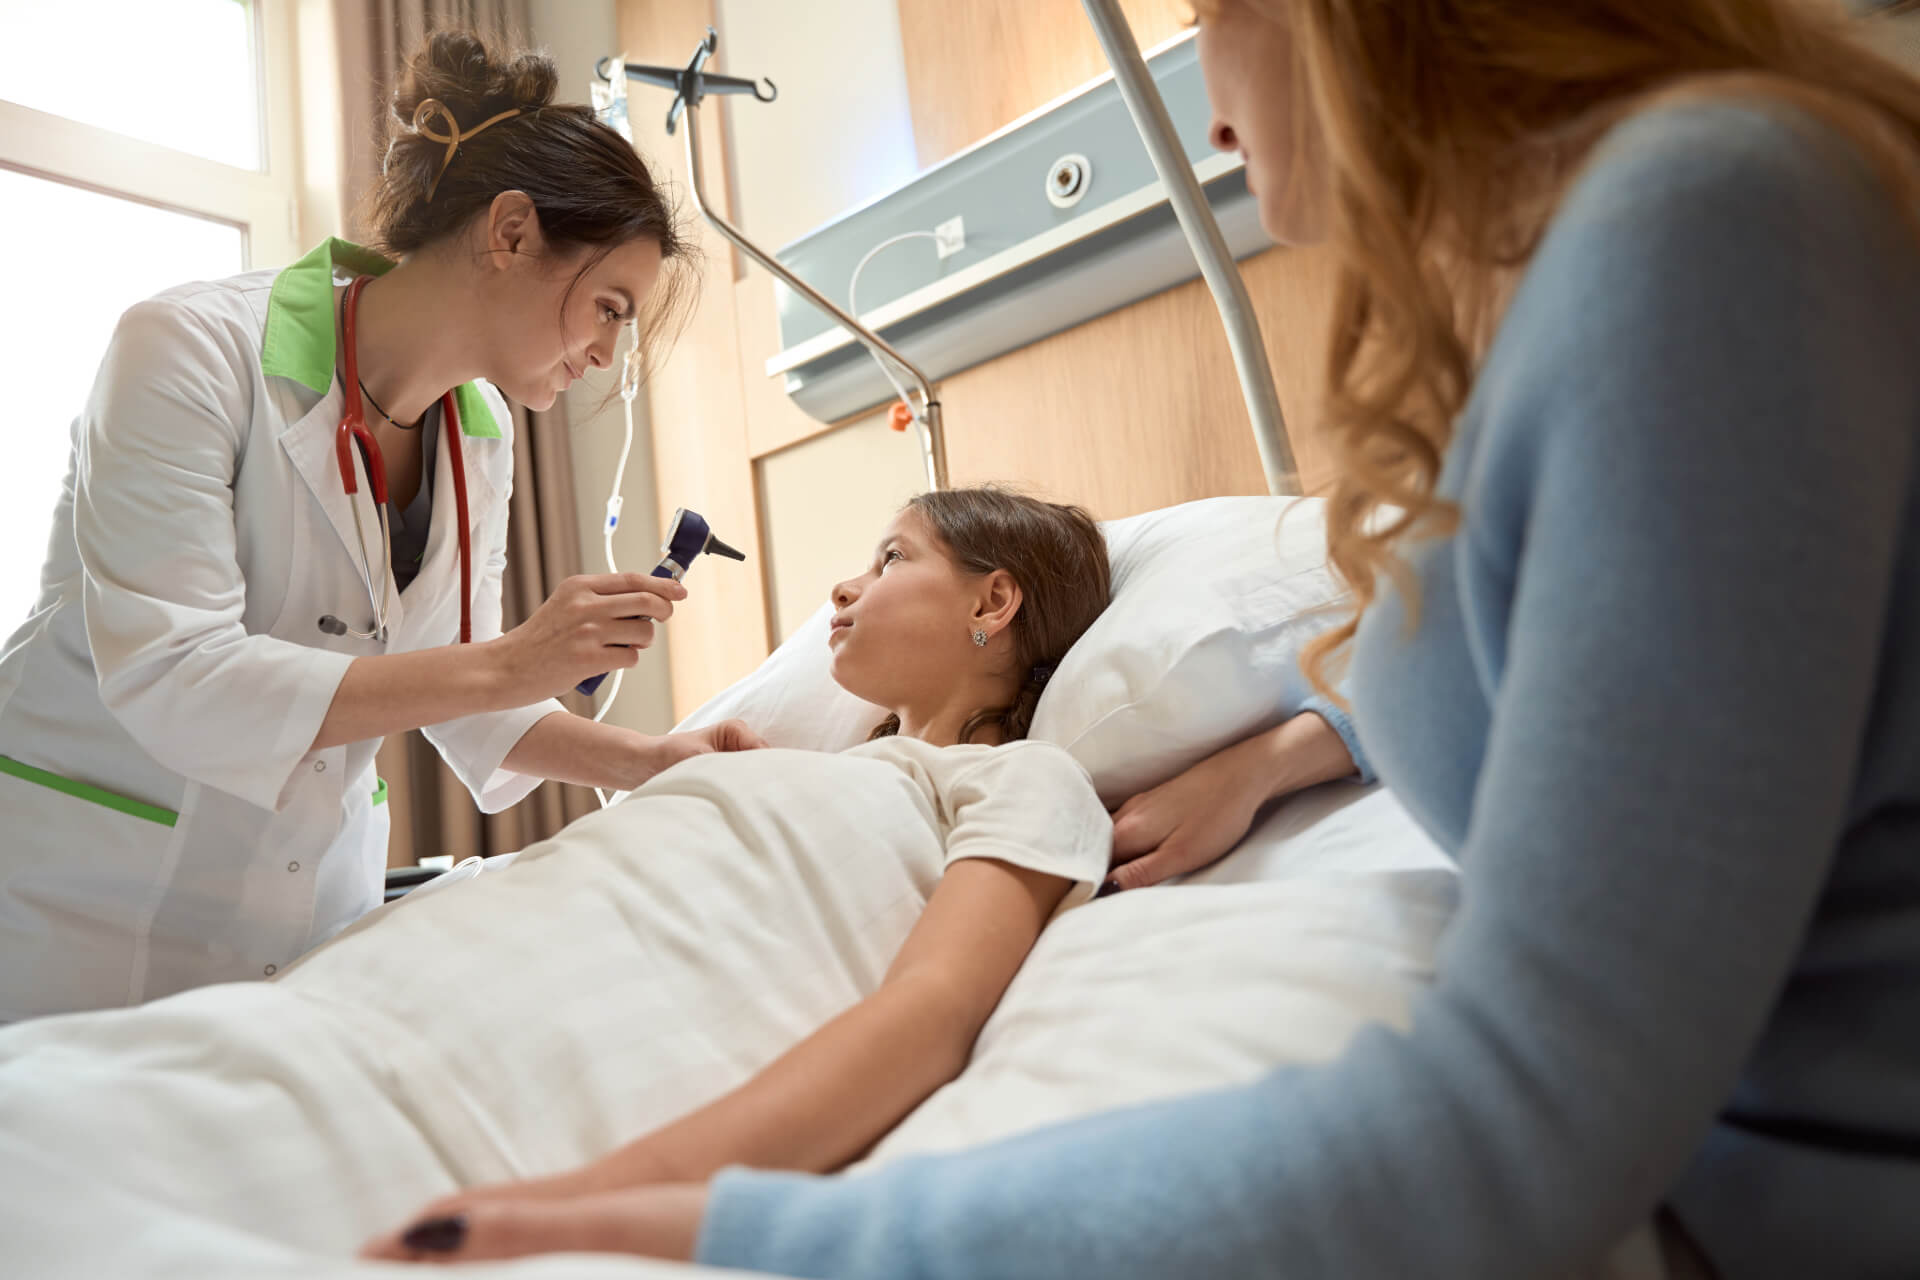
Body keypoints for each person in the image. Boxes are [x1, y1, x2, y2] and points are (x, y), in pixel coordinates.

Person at [374, 1, 1920, 1274]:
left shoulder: (1711, 229)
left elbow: (1528, 1121)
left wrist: (711, 1226)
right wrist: (1285, 748)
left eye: (1217, 7)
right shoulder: (1581, 287)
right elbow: (1582, 667)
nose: (1199, 50)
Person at [0, 31, 764, 1023]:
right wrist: (513, 659)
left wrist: (648, 759)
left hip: (310, 910)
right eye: (610, 308)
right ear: (512, 232)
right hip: (84, 904)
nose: (608, 353)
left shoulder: (477, 436)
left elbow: (460, 693)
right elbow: (175, 674)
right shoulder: (188, 350)